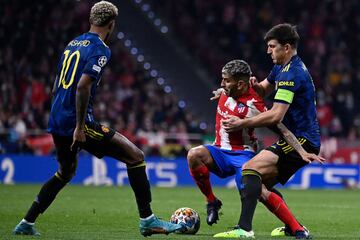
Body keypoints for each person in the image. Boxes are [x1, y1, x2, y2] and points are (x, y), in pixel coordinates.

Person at [13, 1, 184, 237]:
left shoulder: (72, 44)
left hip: (57, 119)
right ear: (111, 25)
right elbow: (83, 86)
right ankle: (148, 220)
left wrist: (59, 117)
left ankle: (26, 222)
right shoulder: (100, 49)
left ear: (91, 20)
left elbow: (55, 87)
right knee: (136, 157)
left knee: (65, 172)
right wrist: (80, 127)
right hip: (76, 122)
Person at [187, 59, 323, 238]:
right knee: (194, 154)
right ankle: (212, 202)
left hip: (242, 155)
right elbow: (225, 88)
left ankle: (297, 229)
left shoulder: (254, 104)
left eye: (226, 80)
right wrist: (222, 89)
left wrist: (301, 151)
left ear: (241, 84)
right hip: (218, 151)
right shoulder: (227, 90)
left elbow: (281, 129)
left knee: (258, 190)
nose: (222, 83)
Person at [215, 23, 323, 239]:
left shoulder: (292, 73)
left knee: (249, 169)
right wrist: (253, 86)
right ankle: (297, 229)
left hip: (301, 139)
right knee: (258, 187)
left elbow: (276, 116)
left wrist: (241, 123)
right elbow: (263, 90)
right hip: (296, 137)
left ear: (287, 47)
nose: (268, 51)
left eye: (272, 46)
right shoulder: (281, 67)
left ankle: (244, 230)